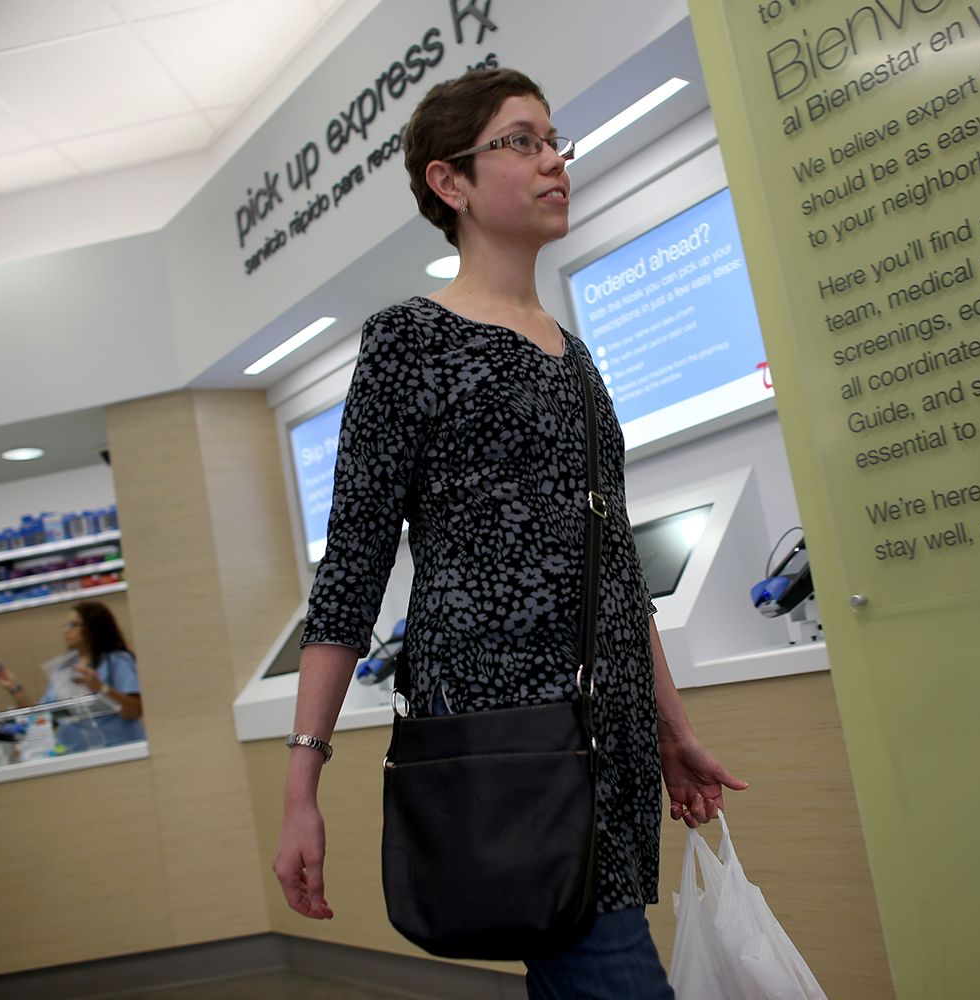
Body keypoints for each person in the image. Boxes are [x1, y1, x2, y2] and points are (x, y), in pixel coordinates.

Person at [272, 67, 746, 998]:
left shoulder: (575, 356)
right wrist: (303, 784)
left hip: (605, 738)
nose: (553, 162)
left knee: (577, 951)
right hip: (504, 734)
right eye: (521, 142)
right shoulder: (409, 340)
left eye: (553, 141)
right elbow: (355, 568)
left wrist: (671, 726)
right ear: (450, 183)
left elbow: (609, 568)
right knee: (605, 965)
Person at [0, 600, 145, 749]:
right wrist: (15, 689)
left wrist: (100, 688)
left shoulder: (117, 661)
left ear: (92, 628)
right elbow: (45, 721)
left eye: (73, 625)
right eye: (66, 625)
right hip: (74, 755)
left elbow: (134, 711)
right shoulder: (63, 670)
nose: (65, 630)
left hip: (117, 750)